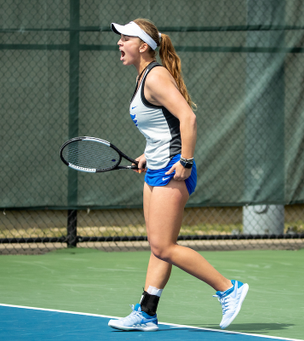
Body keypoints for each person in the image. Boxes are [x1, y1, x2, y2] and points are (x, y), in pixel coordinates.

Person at [107, 18, 249, 331]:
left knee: (164, 247)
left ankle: (228, 288)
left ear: (143, 45)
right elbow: (162, 126)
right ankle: (146, 312)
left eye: (125, 38)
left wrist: (185, 159)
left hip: (173, 169)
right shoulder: (144, 75)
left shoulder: (155, 76)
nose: (119, 43)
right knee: (159, 245)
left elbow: (188, 118)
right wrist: (147, 155)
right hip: (157, 166)